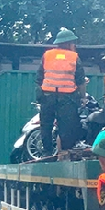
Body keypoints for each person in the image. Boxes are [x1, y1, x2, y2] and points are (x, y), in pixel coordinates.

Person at [36, 28, 86, 157]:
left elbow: (39, 77)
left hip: (47, 96)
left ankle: (46, 152)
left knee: (46, 125)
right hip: (67, 97)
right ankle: (64, 152)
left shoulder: (47, 55)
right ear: (69, 43)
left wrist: (40, 94)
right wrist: (83, 97)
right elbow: (80, 80)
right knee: (66, 126)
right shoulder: (74, 57)